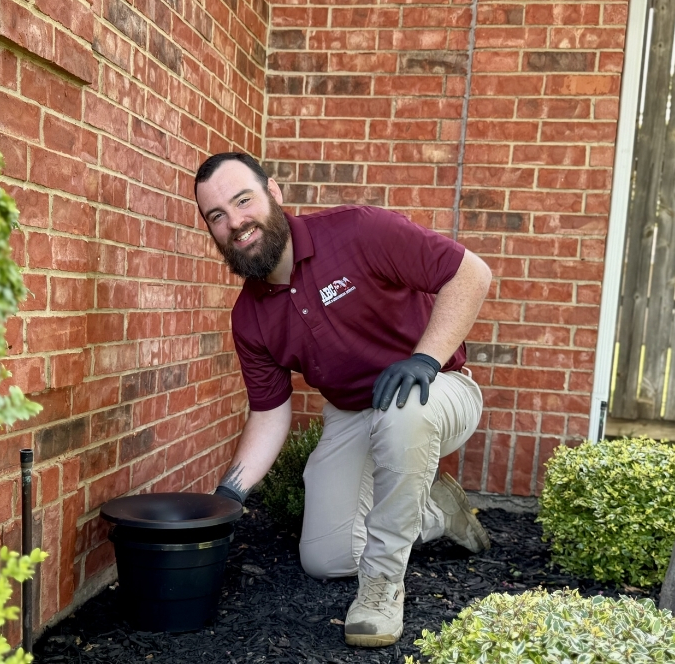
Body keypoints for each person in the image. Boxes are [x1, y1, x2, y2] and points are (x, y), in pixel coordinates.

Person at [195, 152, 492, 648]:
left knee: (405, 412)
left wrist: (424, 359)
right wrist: (229, 494)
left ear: (275, 193)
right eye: (216, 216)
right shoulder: (250, 317)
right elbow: (269, 415)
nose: (235, 223)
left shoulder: (358, 231)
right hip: (354, 413)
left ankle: (380, 592)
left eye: (242, 201)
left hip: (437, 389)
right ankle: (432, 512)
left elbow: (471, 274)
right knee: (325, 557)